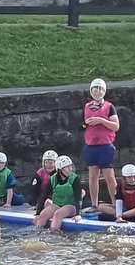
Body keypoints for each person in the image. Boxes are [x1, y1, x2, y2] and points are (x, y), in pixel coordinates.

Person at [81, 78, 120, 213]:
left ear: (104, 91)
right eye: (95, 89)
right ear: (91, 91)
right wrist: (86, 124)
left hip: (105, 145)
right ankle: (94, 204)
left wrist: (101, 121)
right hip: (91, 145)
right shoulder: (87, 106)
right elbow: (82, 124)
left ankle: (116, 203)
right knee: (92, 176)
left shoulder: (109, 107)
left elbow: (115, 126)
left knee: (109, 175)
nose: (97, 91)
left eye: (100, 89)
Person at [34, 155, 83, 231]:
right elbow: (44, 196)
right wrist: (38, 213)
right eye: (67, 167)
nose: (70, 169)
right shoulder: (53, 179)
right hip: (57, 204)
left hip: (71, 206)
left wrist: (78, 214)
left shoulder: (75, 179)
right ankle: (38, 233)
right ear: (60, 170)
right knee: (43, 214)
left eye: (70, 166)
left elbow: (78, 198)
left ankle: (53, 233)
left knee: (58, 214)